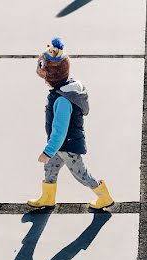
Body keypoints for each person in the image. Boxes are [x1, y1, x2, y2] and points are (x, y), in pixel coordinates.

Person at [27, 38, 114, 210]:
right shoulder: (62, 92)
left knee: (80, 174)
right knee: (50, 167)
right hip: (61, 145)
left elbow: (60, 131)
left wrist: (48, 151)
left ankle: (104, 196)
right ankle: (47, 198)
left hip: (67, 145)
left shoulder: (63, 101)